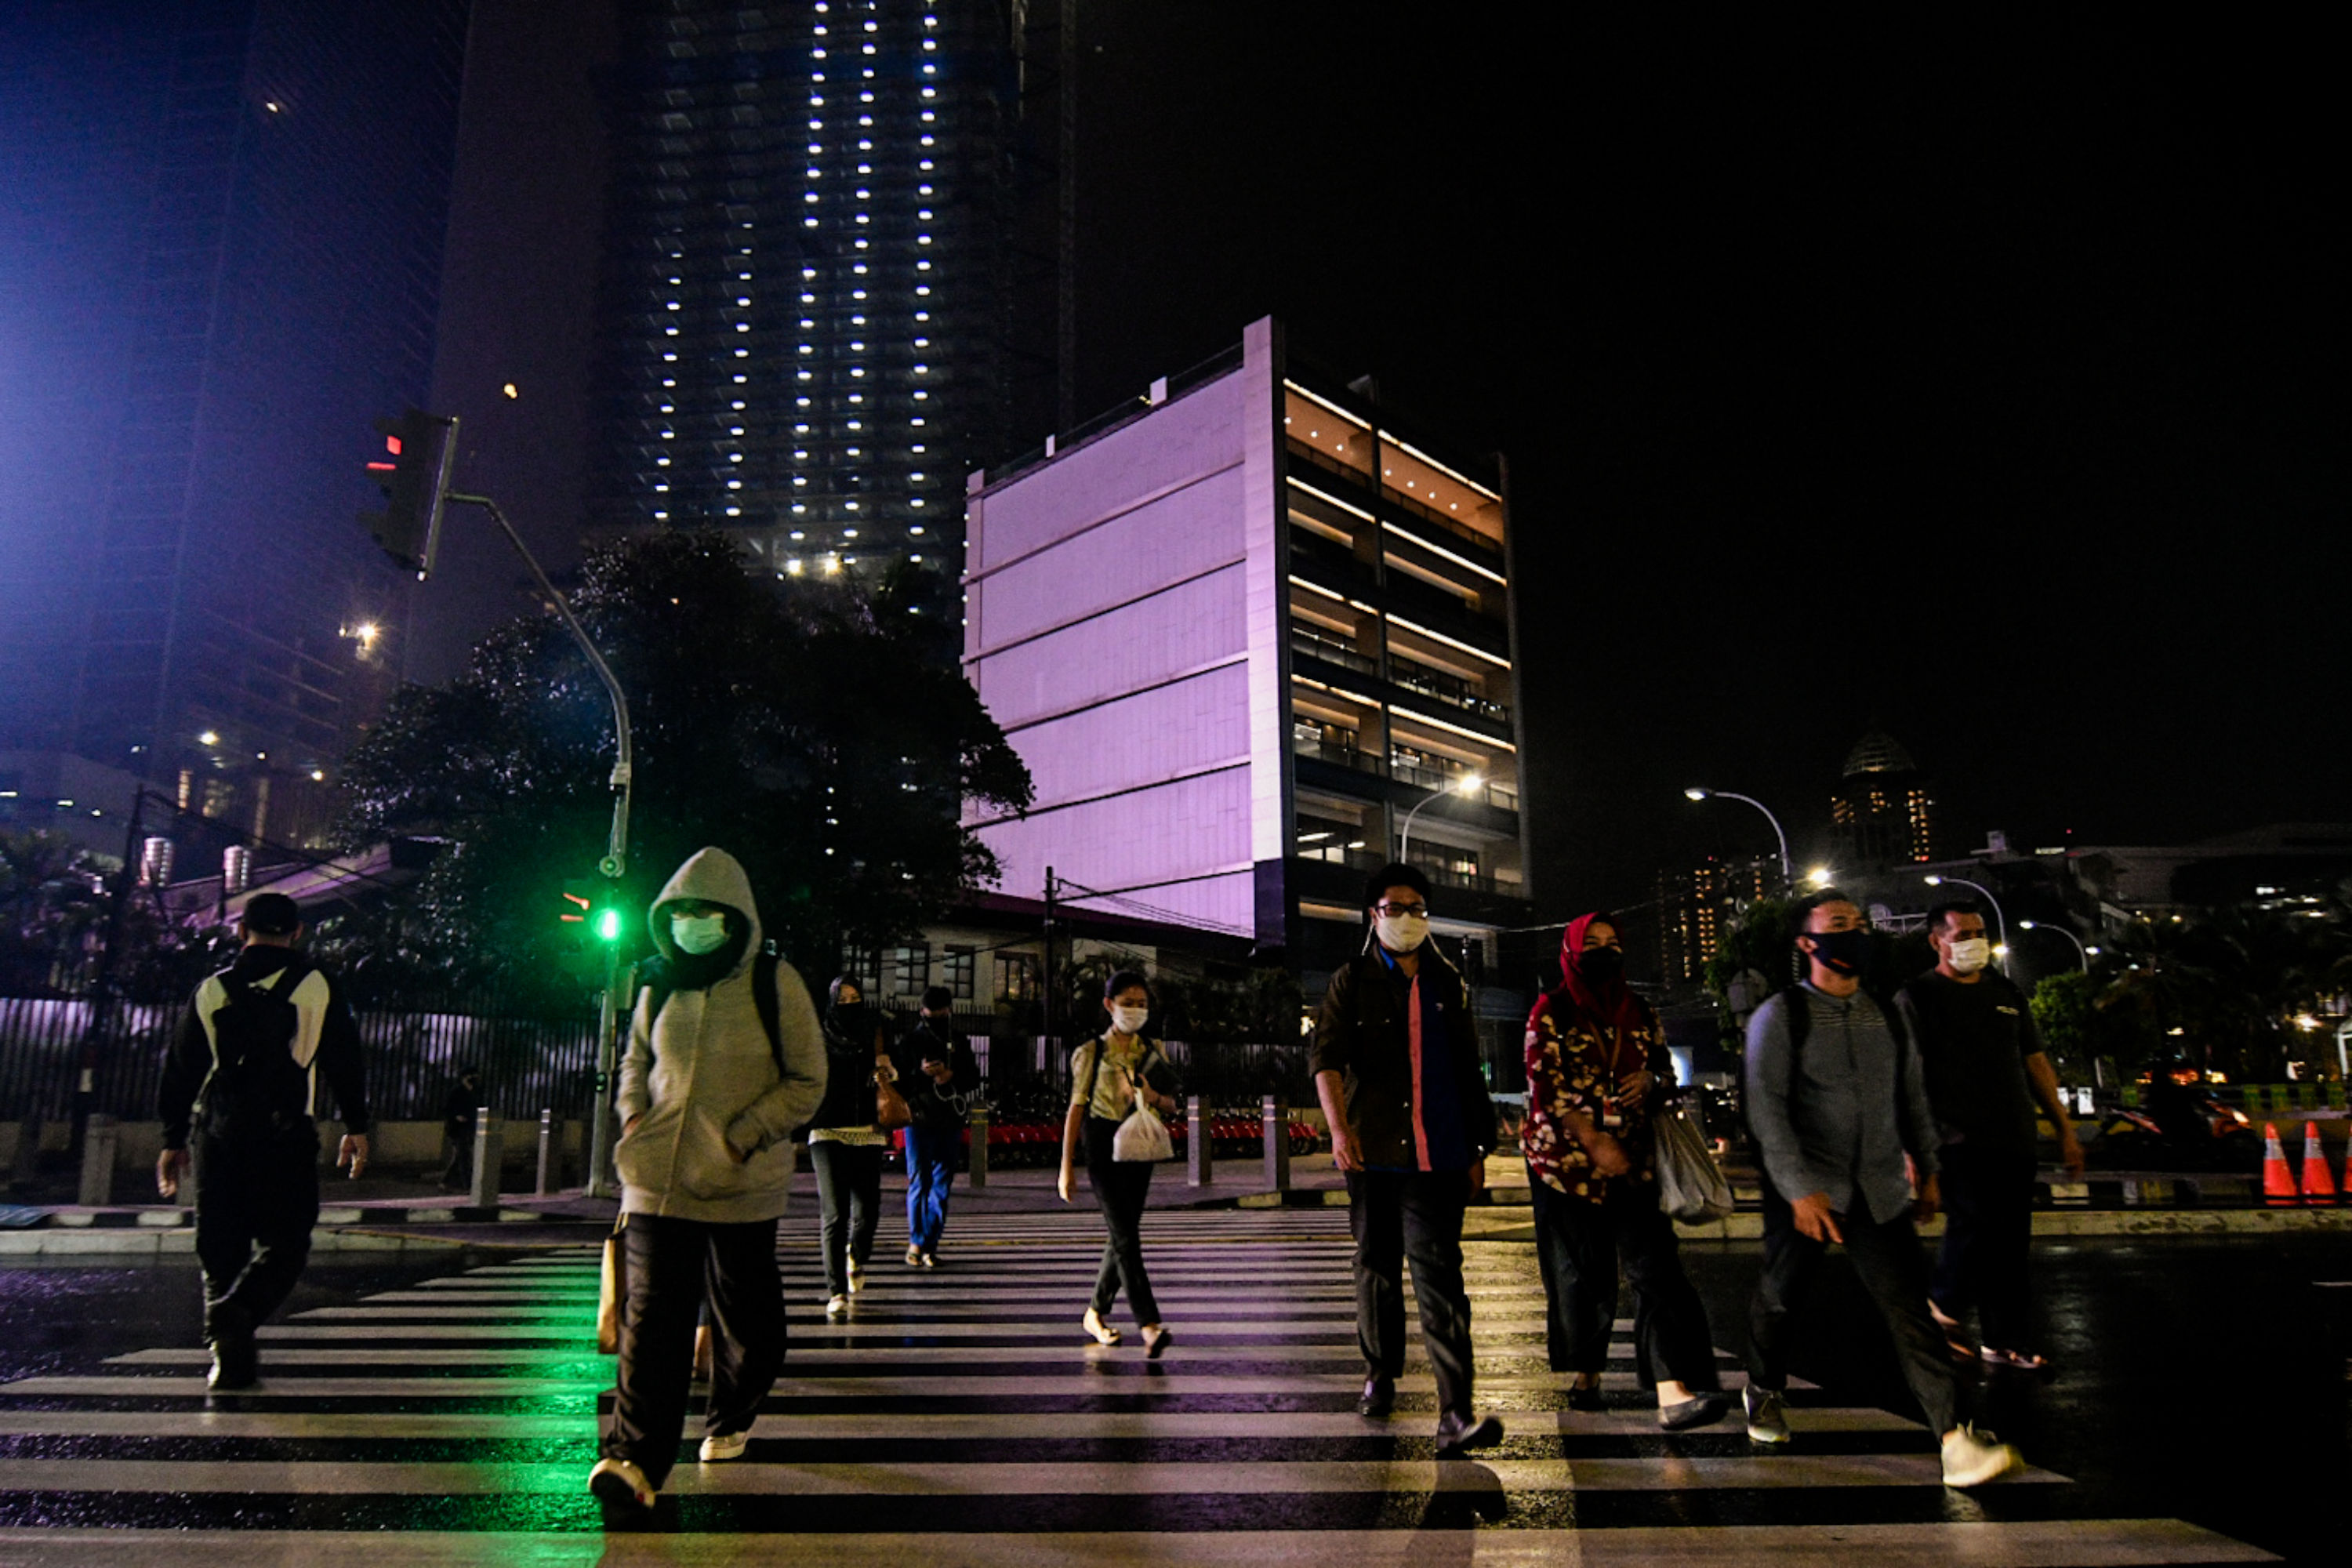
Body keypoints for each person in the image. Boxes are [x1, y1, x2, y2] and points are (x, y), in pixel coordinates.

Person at [1741, 889, 2023, 1488]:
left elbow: (1913, 1099)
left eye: (1860, 924)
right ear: (1807, 943)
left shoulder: (1887, 1014)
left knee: (1911, 1315)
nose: (1855, 934)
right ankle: (1763, 1388)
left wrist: (1928, 1168)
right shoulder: (1781, 1015)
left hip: (1877, 1188)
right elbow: (1766, 1110)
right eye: (1838, 925)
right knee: (1781, 1300)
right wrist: (1799, 1190)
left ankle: (1955, 1440)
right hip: (1807, 1190)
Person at [588, 847, 827, 1513]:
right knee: (651, 1321)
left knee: (750, 1325)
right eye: (682, 911)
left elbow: (809, 1080)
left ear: (735, 918)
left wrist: (745, 1134)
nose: (692, 922)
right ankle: (634, 1460)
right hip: (656, 1181)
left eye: (706, 912)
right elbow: (634, 1059)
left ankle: (733, 1410)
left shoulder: (773, 983)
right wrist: (634, 1114)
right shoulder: (657, 982)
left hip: (740, 1183)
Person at [1312, 862, 1504, 1458]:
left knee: (1441, 1279)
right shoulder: (1353, 980)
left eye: (1418, 907)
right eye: (1396, 907)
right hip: (1373, 1155)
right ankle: (1380, 1371)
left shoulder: (1449, 982)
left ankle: (1456, 1413)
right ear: (1375, 915)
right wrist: (1339, 1131)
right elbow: (1326, 1059)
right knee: (1376, 1269)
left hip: (1440, 1156)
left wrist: (1479, 1148)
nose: (1408, 918)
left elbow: (1469, 1069)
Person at [155, 891, 371, 1392]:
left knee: (219, 1248)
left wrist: (172, 1138)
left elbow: (181, 1068)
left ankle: (228, 1354)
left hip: (217, 1135)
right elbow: (344, 1059)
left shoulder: (212, 990)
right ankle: (241, 1312)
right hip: (287, 1134)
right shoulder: (317, 987)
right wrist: (355, 1126)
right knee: (287, 1242)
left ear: (240, 931)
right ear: (297, 932)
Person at [1521, 913, 1726, 1429]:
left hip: (1634, 1162)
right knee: (1583, 1279)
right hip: (1565, 1169)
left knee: (1655, 1269)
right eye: (1593, 943)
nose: (1605, 951)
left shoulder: (1640, 1009)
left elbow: (1662, 1068)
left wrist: (1651, 1080)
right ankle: (1586, 1372)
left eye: (1613, 943)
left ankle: (1672, 1388)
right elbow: (1544, 1089)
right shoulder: (1551, 1010)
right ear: (1571, 950)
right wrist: (1592, 1140)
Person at [1896, 902, 2085, 1371]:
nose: (1973, 941)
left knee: (2010, 1244)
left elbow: (2036, 1063)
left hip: (2014, 1136)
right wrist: (1912, 1150)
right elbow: (1906, 1078)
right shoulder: (1917, 996)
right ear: (1936, 941)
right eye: (1962, 934)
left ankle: (2006, 1341)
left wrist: (2064, 1129)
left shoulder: (2006, 992)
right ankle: (1943, 1303)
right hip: (1954, 1138)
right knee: (1974, 1224)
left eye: (1980, 932)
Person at [1056, 970, 1178, 1356]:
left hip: (1139, 1143)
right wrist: (1066, 1167)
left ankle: (1095, 1311)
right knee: (1125, 1235)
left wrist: (1152, 1094)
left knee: (1122, 1234)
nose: (1136, 1010)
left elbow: (1173, 1103)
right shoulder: (1091, 1051)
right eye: (1128, 1003)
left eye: (1142, 1004)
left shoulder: (1152, 1049)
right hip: (1101, 1144)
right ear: (1109, 1005)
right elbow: (1076, 1109)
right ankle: (1150, 1324)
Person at [807, 975, 897, 1318]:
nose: (848, 1004)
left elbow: (894, 1068)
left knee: (868, 1209)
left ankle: (857, 1257)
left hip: (867, 1129)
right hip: (827, 1128)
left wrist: (887, 1070)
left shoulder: (873, 1030)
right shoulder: (818, 1032)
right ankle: (836, 1290)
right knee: (834, 1213)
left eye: (854, 997)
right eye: (842, 998)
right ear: (831, 1001)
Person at [896, 985, 978, 1267]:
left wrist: (950, 1074)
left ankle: (930, 1242)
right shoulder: (910, 1041)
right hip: (919, 1118)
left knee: (941, 1184)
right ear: (922, 1012)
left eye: (941, 1014)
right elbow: (899, 1083)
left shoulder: (958, 1040)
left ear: (949, 1011)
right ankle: (918, 1241)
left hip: (948, 1118)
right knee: (921, 1181)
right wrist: (922, 1075)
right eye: (932, 1015)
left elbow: (974, 1078)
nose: (937, 1018)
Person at [439, 1064, 485, 1191]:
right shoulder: (457, 1092)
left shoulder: (476, 1091)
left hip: (470, 1127)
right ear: (465, 1077)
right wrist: (456, 1116)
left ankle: (445, 1182)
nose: (475, 1077)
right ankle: (468, 1186)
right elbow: (447, 1109)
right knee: (464, 1156)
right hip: (458, 1129)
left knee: (461, 1156)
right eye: (472, 1075)